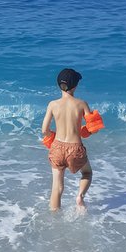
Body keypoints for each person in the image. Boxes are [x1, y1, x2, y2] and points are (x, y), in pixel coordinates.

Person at [41, 68, 94, 211]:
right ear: (75, 86)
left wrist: (52, 137)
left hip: (57, 147)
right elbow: (91, 127)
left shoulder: (52, 104)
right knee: (87, 173)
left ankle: (54, 217)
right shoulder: (82, 104)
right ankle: (80, 197)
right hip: (75, 148)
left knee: (57, 188)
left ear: (59, 85)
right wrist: (85, 131)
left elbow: (44, 130)